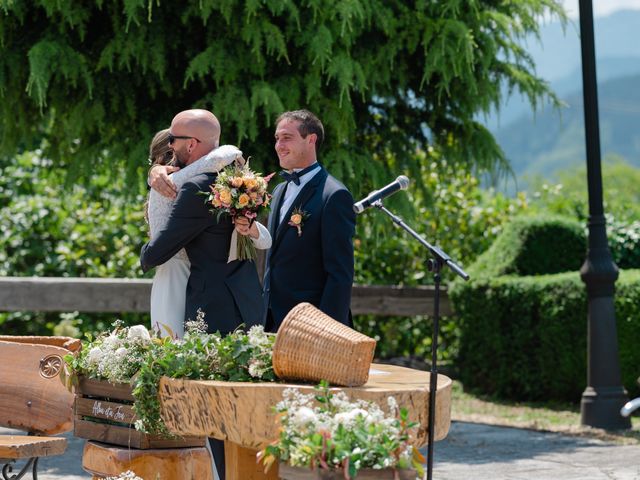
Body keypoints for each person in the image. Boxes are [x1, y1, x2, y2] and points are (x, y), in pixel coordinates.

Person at [141, 109, 270, 480]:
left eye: (174, 141)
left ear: (191, 145)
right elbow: (263, 237)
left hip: (203, 294)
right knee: (243, 392)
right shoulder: (238, 180)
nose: (171, 147)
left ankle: (212, 471)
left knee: (204, 395)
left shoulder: (196, 189)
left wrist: (144, 252)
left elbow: (158, 252)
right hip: (245, 295)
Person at [145, 127, 270, 339]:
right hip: (179, 271)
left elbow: (264, 239)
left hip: (190, 276)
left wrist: (250, 227)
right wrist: (154, 172)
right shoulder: (176, 184)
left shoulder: (212, 184)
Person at [261, 109, 356, 331]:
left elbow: (340, 274)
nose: (279, 146)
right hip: (271, 320)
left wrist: (327, 328)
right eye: (277, 138)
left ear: (311, 139)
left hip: (311, 325)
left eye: (287, 138)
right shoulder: (278, 191)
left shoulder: (333, 195)